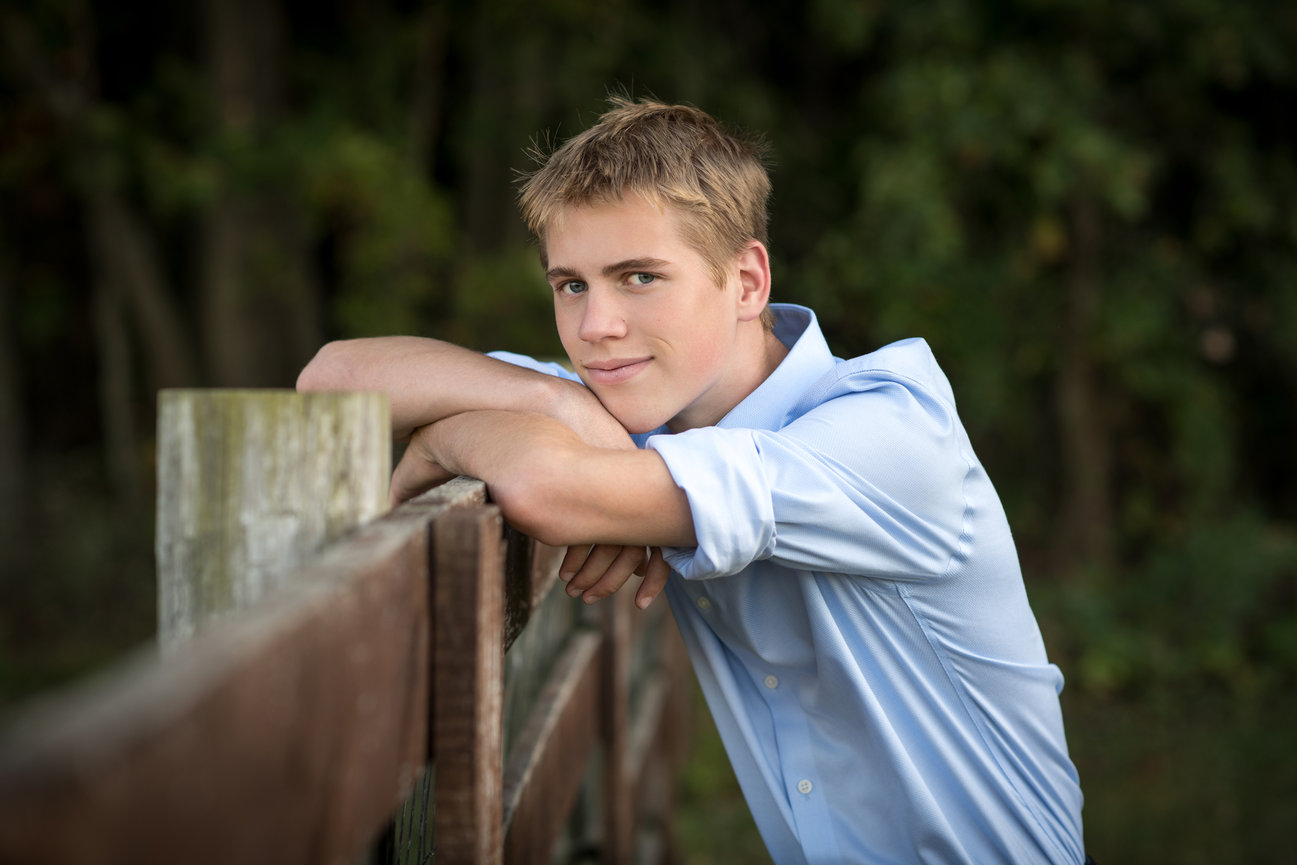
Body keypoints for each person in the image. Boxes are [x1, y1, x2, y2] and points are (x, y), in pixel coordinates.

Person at [298, 97, 1087, 864]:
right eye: (570, 284)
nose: (594, 327)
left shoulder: (889, 429)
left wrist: (461, 437)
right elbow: (331, 380)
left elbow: (545, 486)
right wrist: (548, 400)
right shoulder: (643, 407)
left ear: (746, 282)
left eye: (638, 277)